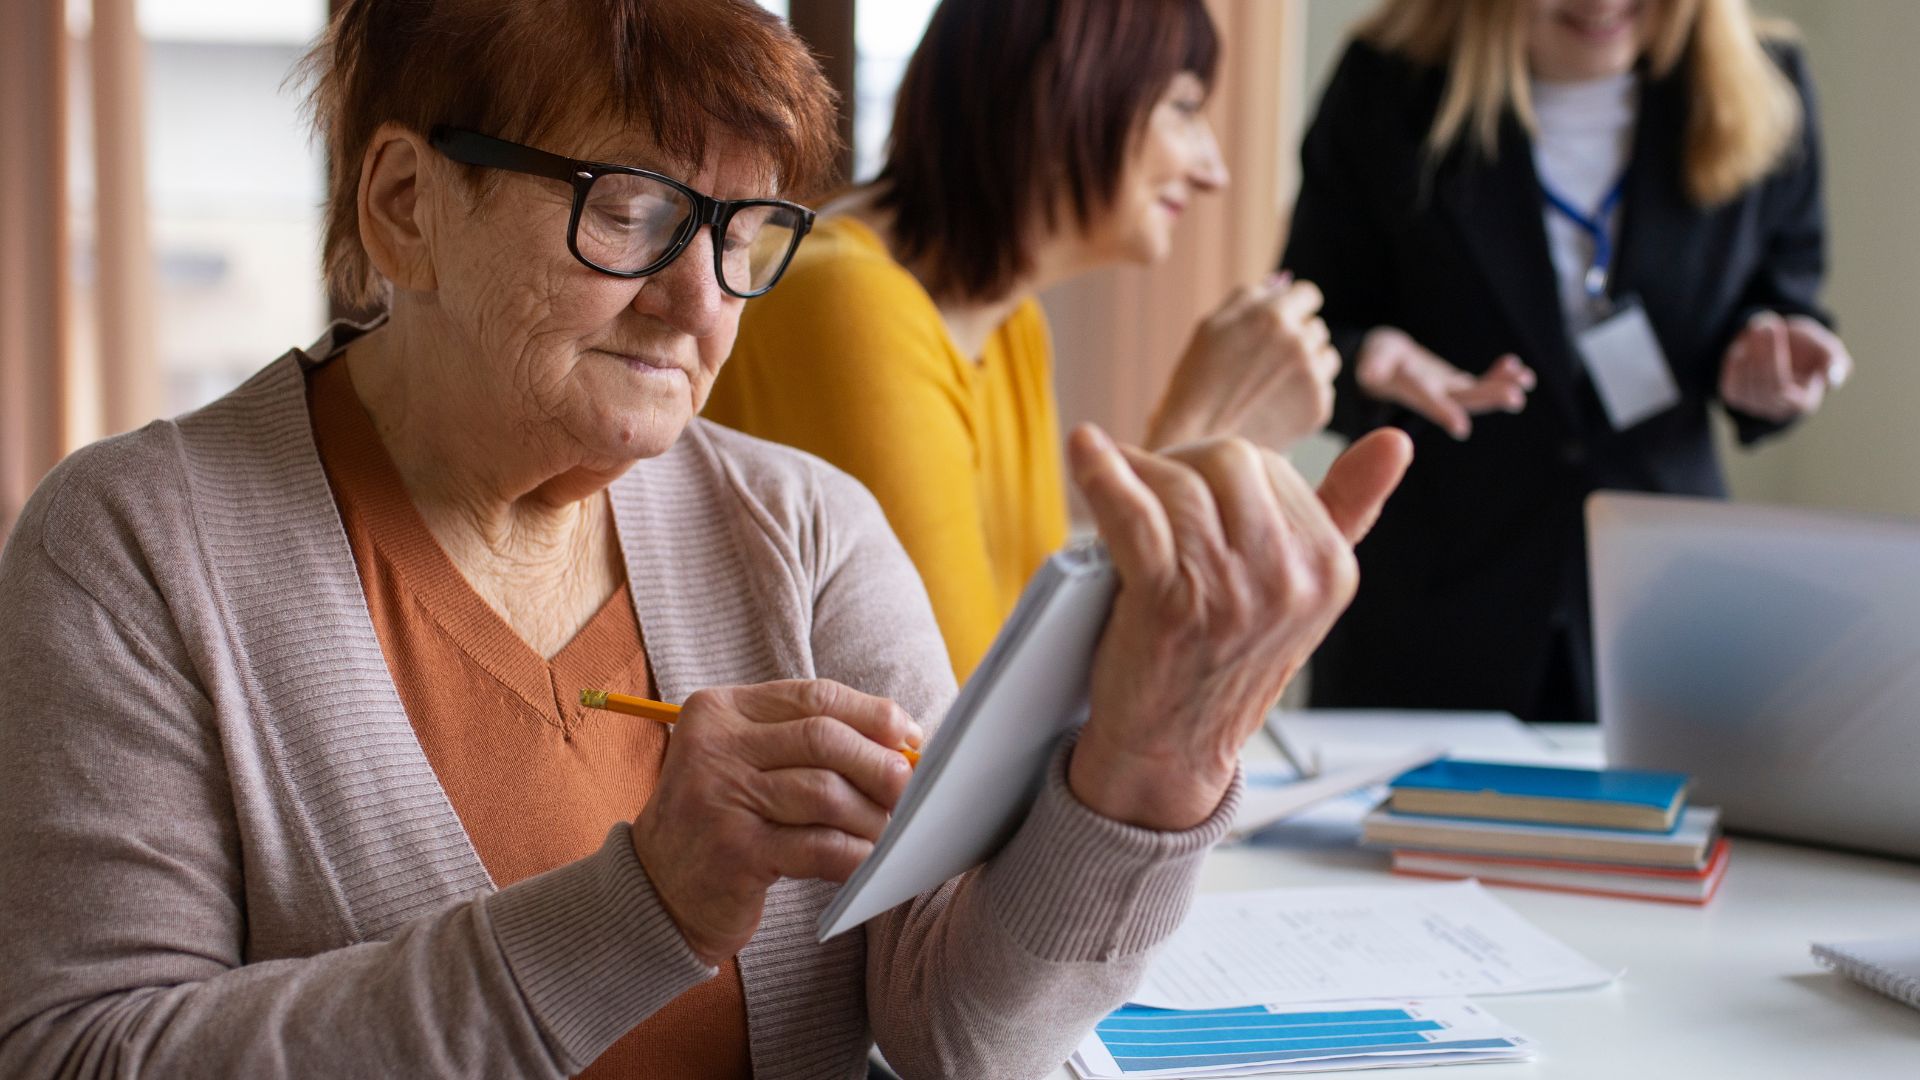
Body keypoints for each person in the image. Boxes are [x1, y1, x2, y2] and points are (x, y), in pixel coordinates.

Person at [0, 1, 1410, 1076]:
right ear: (405, 206)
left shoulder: (804, 530)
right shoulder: (135, 546)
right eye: (630, 212)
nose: (703, 303)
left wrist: (1152, 775)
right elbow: (80, 1054)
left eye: (741, 231)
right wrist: (641, 910)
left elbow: (955, 1028)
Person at [705, 0, 1343, 680]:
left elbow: (1030, 656)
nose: (1212, 170)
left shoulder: (1010, 322)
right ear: (1073, 90)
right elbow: (962, 709)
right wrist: (1200, 431)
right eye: (1184, 108)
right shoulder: (848, 301)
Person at [1284, 0, 1851, 723]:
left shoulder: (1769, 80)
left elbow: (1784, 294)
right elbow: (1312, 320)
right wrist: (1368, 357)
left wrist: (1769, 363)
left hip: (1662, 609)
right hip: (1435, 606)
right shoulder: (1388, 85)